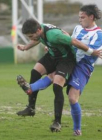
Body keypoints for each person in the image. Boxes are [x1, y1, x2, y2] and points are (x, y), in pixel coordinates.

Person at [17, 4, 102, 136]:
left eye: (82, 17)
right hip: (69, 60)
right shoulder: (78, 28)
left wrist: (62, 41)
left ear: (91, 17)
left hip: (83, 66)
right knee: (53, 78)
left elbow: (88, 51)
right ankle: (30, 90)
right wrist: (55, 44)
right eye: (79, 17)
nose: (80, 19)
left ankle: (77, 129)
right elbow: (70, 40)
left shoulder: (98, 33)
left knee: (72, 98)